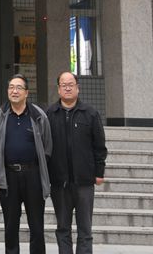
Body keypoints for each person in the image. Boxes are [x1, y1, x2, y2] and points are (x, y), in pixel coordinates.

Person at [47, 71, 107, 254]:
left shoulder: (90, 113)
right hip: (59, 183)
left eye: (70, 84)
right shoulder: (50, 114)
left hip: (84, 182)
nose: (67, 88)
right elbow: (44, 147)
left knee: (85, 230)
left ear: (77, 88)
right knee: (62, 229)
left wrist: (99, 172)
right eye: (63, 85)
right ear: (58, 89)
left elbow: (99, 146)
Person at [0, 74, 52, 254]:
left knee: (36, 225)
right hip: (9, 176)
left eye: (19, 87)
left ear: (26, 92)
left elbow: (47, 147)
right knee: (10, 225)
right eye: (11, 87)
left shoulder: (38, 115)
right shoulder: (0, 116)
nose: (14, 91)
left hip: (33, 175)